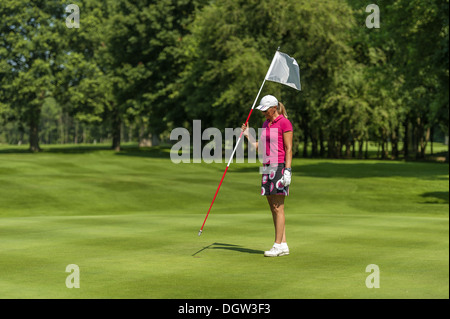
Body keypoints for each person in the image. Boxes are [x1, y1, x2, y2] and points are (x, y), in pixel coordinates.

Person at [241, 95, 293, 257]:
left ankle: (277, 245)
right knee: (272, 207)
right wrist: (248, 135)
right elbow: (260, 147)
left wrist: (288, 170)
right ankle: (283, 244)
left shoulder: (284, 122)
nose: (263, 113)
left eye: (265, 110)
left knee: (278, 207)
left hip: (278, 166)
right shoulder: (266, 124)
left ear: (274, 108)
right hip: (266, 166)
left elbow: (289, 148)